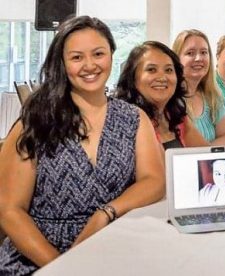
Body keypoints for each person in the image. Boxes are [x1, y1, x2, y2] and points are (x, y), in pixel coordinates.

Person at [0, 16, 164, 274]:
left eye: (98, 53)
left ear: (111, 54)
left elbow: (154, 180)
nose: (90, 65)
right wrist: (64, 268)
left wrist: (106, 213)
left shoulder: (133, 118)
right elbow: (10, 211)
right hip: (38, 258)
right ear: (62, 63)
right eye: (77, 57)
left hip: (113, 246)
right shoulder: (35, 121)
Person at [114, 41, 208, 149]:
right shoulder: (125, 122)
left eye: (168, 70)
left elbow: (205, 155)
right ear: (133, 78)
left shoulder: (177, 117)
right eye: (151, 70)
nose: (162, 77)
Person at [172, 29, 225, 145]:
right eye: (190, 53)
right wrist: (208, 154)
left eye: (204, 52)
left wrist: (205, 156)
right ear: (176, 59)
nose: (199, 58)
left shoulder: (212, 96)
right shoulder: (170, 101)